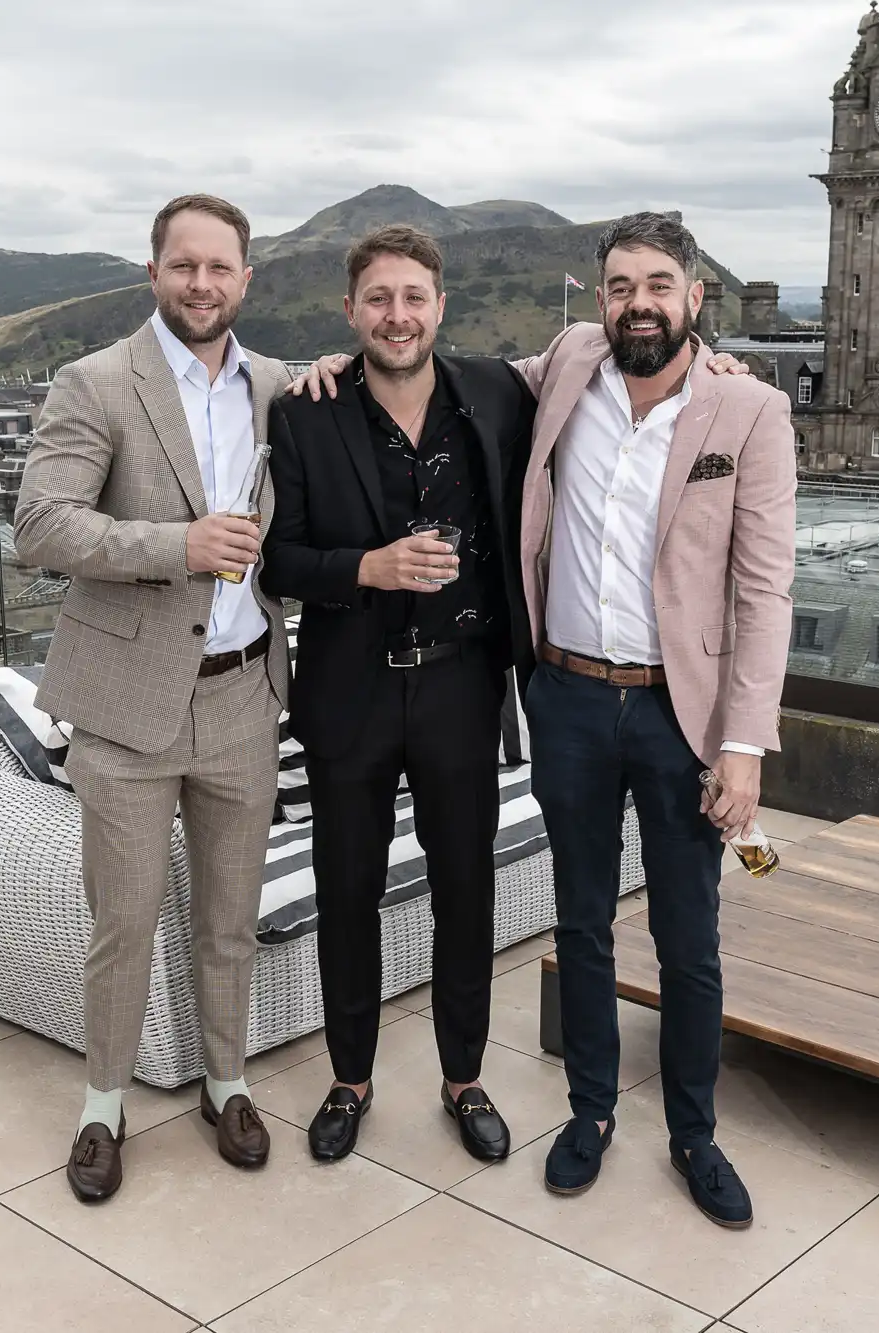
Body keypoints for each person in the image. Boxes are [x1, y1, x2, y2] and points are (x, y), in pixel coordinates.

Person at [515, 212, 796, 1228]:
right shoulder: (565, 366)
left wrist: (740, 744)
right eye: (620, 284)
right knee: (580, 920)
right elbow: (436, 376)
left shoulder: (749, 412)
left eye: (658, 283)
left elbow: (763, 589)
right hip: (569, 699)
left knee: (688, 938)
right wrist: (335, 361)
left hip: (683, 716)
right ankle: (589, 1113)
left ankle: (693, 1133)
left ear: (693, 297)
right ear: (600, 300)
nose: (639, 301)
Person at [14, 193, 291, 1204]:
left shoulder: (279, 386)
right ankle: (102, 1103)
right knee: (122, 922)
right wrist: (176, 546)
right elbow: (41, 525)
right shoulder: (94, 383)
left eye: (220, 268)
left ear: (245, 280)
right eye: (184, 266)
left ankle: (226, 1082)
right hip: (126, 706)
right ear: (154, 273)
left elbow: (417, 373)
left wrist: (710, 364)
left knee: (227, 918)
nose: (201, 284)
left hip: (241, 699)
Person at [261, 225, 534, 1164]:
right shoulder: (305, 414)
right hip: (349, 695)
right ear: (350, 312)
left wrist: (720, 361)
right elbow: (280, 558)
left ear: (441, 306)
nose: (397, 315)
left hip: (463, 687)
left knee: (466, 890)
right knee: (349, 893)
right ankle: (351, 1078)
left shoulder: (496, 392)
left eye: (413, 297)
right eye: (378, 298)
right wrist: (368, 567)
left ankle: (464, 1079)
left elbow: (600, 362)